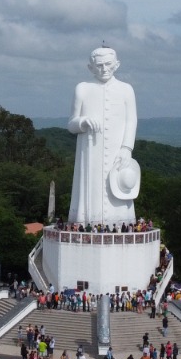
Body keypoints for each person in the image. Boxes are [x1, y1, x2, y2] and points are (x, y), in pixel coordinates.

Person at [66, 47, 138, 226]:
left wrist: (126, 148)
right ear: (90, 67)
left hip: (117, 152)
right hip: (90, 153)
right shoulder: (82, 88)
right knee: (91, 191)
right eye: (99, 65)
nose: (104, 69)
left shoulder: (126, 89)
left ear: (117, 65)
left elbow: (131, 121)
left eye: (108, 64)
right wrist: (82, 121)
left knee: (118, 190)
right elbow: (71, 124)